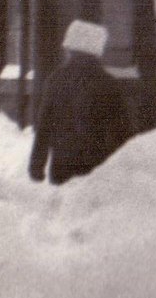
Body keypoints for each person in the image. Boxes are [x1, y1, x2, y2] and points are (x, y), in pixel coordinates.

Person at [28, 19, 130, 184]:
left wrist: (36, 166)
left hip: (62, 167)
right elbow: (122, 131)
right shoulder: (108, 84)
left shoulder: (56, 80)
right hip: (98, 168)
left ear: (71, 48)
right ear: (98, 50)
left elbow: (44, 126)